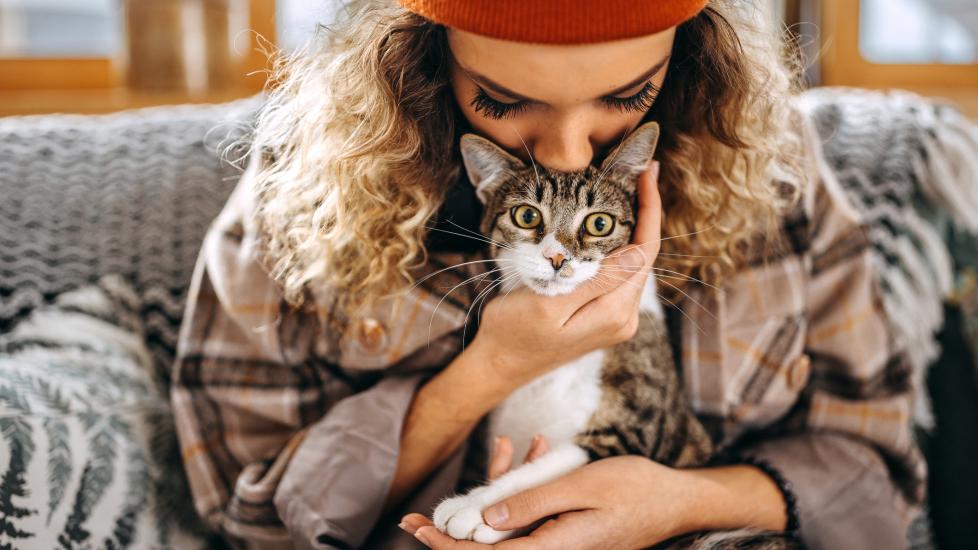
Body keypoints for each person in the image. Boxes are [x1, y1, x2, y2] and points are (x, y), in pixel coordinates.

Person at [170, 1, 927, 548]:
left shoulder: (774, 166)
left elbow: (875, 475)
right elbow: (253, 521)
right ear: (426, 56)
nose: (568, 154)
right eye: (500, 100)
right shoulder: (304, 188)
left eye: (628, 96)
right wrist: (492, 368)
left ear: (691, 52)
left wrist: (676, 503)